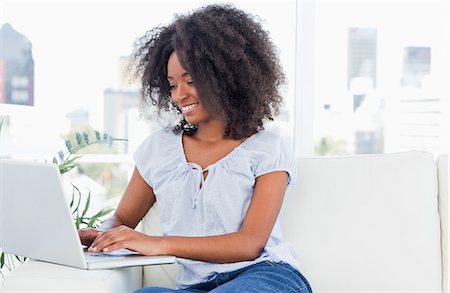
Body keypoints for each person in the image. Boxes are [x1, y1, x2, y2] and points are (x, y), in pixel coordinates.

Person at [79, 4, 312, 293]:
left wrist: (157, 244)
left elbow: (250, 244)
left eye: (190, 81)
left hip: (266, 276)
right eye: (172, 84)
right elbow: (124, 218)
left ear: (227, 78)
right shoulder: (159, 148)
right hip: (198, 286)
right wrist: (103, 236)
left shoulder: (267, 148)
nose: (179, 94)